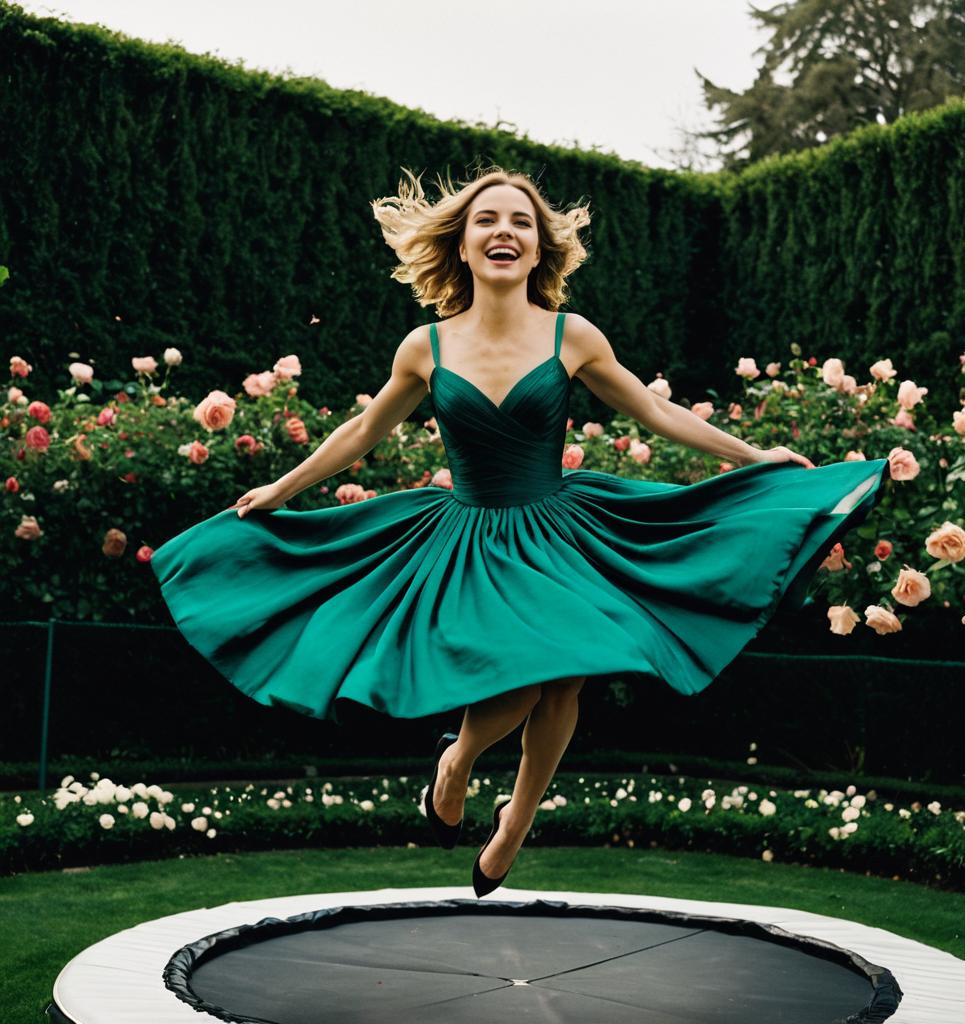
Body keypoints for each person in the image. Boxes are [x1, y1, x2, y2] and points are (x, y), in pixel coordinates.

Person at [150, 164, 890, 897]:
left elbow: (655, 413)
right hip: (470, 538)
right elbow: (364, 430)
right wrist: (282, 488)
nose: (504, 231)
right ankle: (458, 762)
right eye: (487, 221)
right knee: (517, 681)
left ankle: (516, 821)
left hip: (558, 530)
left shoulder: (574, 336)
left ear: (539, 250)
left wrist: (751, 454)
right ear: (463, 246)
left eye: (521, 223)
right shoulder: (425, 347)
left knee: (563, 673)